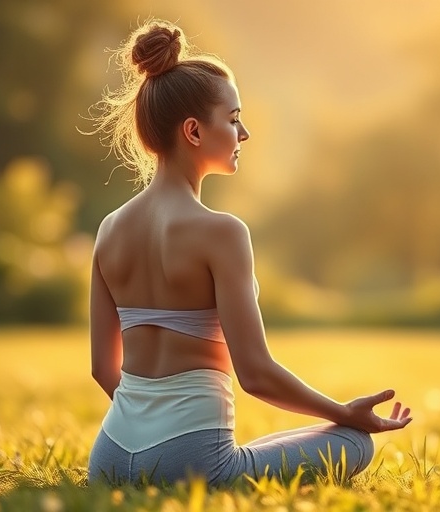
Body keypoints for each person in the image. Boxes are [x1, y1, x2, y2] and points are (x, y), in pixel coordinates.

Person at [85, 19, 412, 486]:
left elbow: (102, 368)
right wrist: (345, 412)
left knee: (276, 445)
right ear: (194, 131)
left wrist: (146, 430)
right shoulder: (222, 232)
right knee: (352, 442)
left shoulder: (109, 229)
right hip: (193, 464)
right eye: (234, 118)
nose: (245, 133)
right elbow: (255, 373)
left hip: (110, 458)